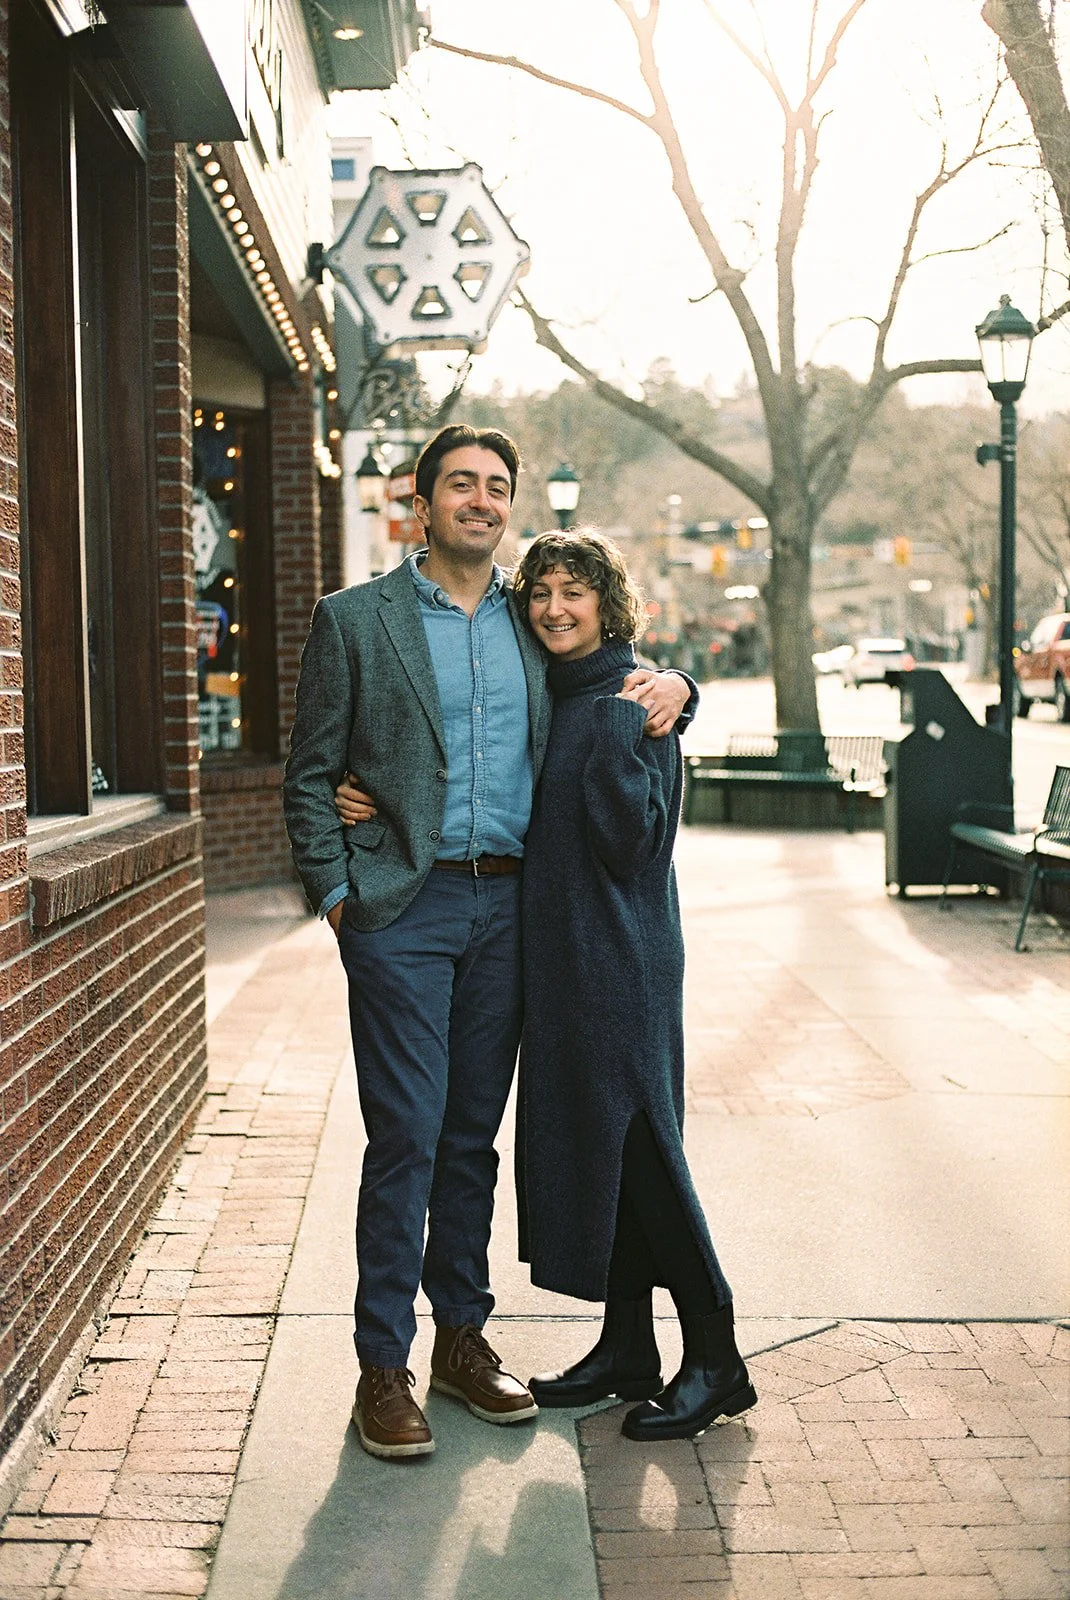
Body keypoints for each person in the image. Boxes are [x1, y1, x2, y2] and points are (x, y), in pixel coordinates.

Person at [283, 426, 692, 1462]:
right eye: (458, 483)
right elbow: (308, 771)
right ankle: (384, 1363)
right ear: (420, 504)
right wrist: (340, 893)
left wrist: (683, 689)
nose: (479, 499)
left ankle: (462, 1340)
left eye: (494, 486)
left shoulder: (527, 620)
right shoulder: (354, 621)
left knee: (471, 1135)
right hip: (401, 913)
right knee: (407, 1134)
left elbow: (614, 673)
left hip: (512, 913)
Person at [511, 532, 755, 1440]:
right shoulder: (560, 694)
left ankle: (718, 1355)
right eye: (540, 592)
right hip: (564, 962)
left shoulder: (632, 700)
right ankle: (627, 1347)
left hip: (619, 959)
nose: (554, 608)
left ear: (609, 605)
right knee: (601, 1149)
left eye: (574, 592)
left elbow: (632, 843)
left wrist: (654, 708)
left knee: (643, 1151)